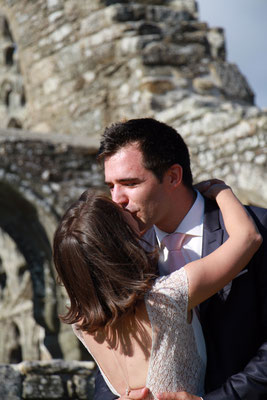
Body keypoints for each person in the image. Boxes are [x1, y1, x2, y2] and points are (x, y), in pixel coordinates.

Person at [95, 118, 267, 400]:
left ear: (173, 176)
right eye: (111, 185)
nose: (117, 199)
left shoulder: (258, 227)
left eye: (129, 183)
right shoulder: (120, 250)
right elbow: (109, 347)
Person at [53, 183, 261, 399]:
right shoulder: (167, 297)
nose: (123, 206)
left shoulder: (82, 324)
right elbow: (247, 238)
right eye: (120, 215)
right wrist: (220, 190)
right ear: (117, 241)